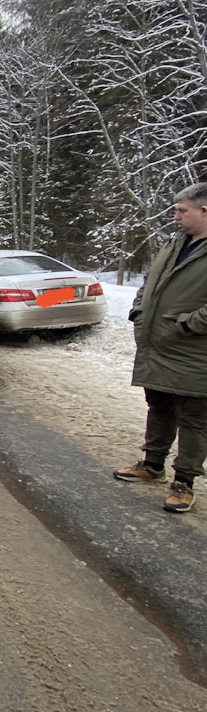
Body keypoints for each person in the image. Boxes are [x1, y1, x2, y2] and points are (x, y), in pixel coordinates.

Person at [114, 182, 207, 513]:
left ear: (204, 211)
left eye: (182, 210)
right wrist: (140, 308)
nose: (176, 216)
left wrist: (187, 324)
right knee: (159, 407)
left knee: (194, 419)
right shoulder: (175, 243)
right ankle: (153, 464)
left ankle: (184, 483)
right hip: (158, 345)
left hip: (193, 352)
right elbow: (150, 282)